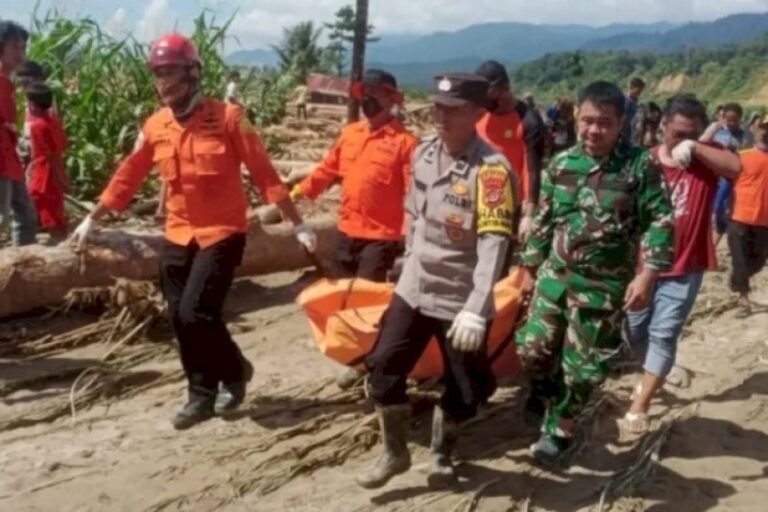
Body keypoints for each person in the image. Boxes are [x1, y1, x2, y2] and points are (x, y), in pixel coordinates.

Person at [69, 33, 317, 430]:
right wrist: (92, 218)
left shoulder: (229, 118)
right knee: (181, 317)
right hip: (179, 232)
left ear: (193, 73)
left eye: (172, 74)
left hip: (223, 232)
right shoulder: (155, 126)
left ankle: (233, 374)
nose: (165, 84)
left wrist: (299, 223)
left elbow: (265, 174)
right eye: (159, 75)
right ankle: (200, 394)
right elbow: (127, 177)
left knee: (196, 310)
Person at [356, 72, 517, 489]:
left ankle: (443, 452)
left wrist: (477, 308)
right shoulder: (424, 153)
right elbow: (416, 216)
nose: (440, 116)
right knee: (383, 370)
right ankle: (395, 453)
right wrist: (407, 262)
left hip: (459, 297)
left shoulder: (492, 172)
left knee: (468, 389)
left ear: (478, 114)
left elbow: (493, 244)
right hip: (415, 287)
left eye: (453, 110)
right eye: (438, 107)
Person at [515, 80, 674, 465]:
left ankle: (559, 429)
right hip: (555, 278)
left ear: (621, 123)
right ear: (576, 118)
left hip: (602, 285)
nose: (594, 130)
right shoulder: (562, 164)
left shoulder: (640, 166)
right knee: (530, 350)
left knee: (585, 371)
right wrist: (528, 268)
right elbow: (544, 221)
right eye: (587, 121)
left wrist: (648, 274)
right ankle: (546, 389)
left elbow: (660, 220)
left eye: (604, 122)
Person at [620, 94, 741, 434]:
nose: (681, 140)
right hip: (642, 268)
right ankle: (654, 374)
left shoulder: (703, 163)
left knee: (664, 333)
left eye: (691, 133)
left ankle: (640, 405)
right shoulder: (644, 162)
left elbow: (736, 168)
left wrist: (697, 148)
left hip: (685, 267)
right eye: (677, 133)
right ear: (662, 128)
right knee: (634, 331)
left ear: (700, 132)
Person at [291, 69, 416, 390]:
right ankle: (356, 358)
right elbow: (327, 170)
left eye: (376, 93)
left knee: (368, 305)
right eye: (364, 93)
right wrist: (300, 192)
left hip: (382, 237)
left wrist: (411, 237)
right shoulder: (350, 134)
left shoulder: (405, 143)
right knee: (342, 299)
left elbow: (415, 195)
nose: (368, 100)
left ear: (392, 99)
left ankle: (373, 365)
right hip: (347, 231)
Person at [475, 60, 546, 243]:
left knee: (498, 263)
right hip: (474, 199)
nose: (484, 98)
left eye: (489, 92)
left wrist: (529, 214)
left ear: (505, 87)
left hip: (507, 206)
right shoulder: (479, 114)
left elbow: (532, 168)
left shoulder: (528, 120)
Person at [0, 21, 37, 247]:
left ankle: (22, 265)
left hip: (10, 160)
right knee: (4, 217)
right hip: (2, 161)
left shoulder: (7, 84)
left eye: (23, 48)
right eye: (15, 47)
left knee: (26, 216)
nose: (21, 54)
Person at [727, 115, 768, 315]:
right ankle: (743, 300)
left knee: (759, 260)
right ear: (755, 130)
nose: (766, 132)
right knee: (740, 260)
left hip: (765, 221)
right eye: (764, 128)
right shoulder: (741, 157)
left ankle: (737, 280)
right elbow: (723, 189)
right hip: (740, 218)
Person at [26, 83, 70, 242]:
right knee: (55, 212)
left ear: (33, 104)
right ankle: (63, 241)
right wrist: (62, 178)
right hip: (53, 174)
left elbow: (47, 156)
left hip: (43, 175)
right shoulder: (54, 122)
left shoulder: (37, 126)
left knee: (44, 212)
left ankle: (58, 243)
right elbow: (59, 151)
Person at [701, 102, 749, 247]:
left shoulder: (746, 133)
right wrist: (715, 127)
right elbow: (702, 142)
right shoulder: (717, 130)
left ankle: (718, 246)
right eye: (728, 119)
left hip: (733, 177)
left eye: (735, 120)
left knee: (723, 210)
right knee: (714, 210)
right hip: (713, 176)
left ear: (740, 118)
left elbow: (747, 154)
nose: (731, 123)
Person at [622, 77, 646, 143]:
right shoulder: (624, 100)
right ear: (632, 87)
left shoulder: (635, 102)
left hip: (630, 133)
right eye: (639, 90)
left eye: (641, 91)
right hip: (622, 132)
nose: (640, 93)